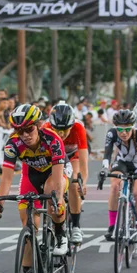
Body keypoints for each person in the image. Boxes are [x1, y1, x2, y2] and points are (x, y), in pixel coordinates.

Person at [0, 104, 68, 273]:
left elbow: (58, 179)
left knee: (53, 201)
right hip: (31, 176)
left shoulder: (53, 139)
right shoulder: (13, 144)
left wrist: (58, 198)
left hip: (54, 173)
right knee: (28, 228)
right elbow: (6, 179)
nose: (24, 135)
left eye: (28, 129)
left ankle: (60, 234)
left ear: (39, 125)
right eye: (19, 130)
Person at [101, 110, 137, 248]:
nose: (123, 133)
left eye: (127, 129)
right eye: (120, 129)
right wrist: (105, 168)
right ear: (115, 127)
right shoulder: (111, 133)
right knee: (114, 187)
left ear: (133, 127)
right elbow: (107, 155)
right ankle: (112, 226)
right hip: (122, 162)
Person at [42, 101, 88, 243]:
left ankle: (76, 226)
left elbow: (83, 160)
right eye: (57, 130)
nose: (61, 134)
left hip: (72, 156)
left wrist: (83, 182)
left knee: (74, 183)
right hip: (53, 156)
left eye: (65, 130)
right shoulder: (45, 127)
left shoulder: (79, 127)